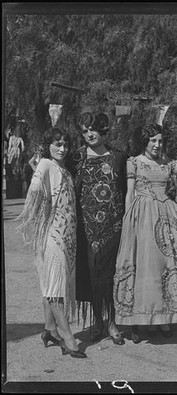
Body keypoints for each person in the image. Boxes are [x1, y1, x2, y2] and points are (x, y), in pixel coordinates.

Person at [114, 123, 177, 344]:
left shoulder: (169, 163)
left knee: (169, 265)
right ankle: (145, 318)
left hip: (168, 218)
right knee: (147, 267)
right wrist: (128, 219)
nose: (157, 144)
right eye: (153, 140)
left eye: (160, 141)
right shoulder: (134, 162)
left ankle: (165, 318)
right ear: (145, 141)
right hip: (143, 216)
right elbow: (130, 192)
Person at [17, 127, 87, 358]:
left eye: (66, 144)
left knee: (53, 284)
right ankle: (68, 337)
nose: (62, 148)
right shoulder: (46, 164)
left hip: (67, 236)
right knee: (56, 286)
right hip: (53, 235)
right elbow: (35, 189)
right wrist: (39, 210)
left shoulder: (64, 169)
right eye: (58, 143)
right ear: (48, 145)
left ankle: (49, 328)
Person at [69, 112, 127, 345]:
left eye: (93, 128)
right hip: (86, 229)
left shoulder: (118, 157)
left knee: (111, 276)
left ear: (103, 130)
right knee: (91, 276)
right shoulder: (77, 157)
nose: (89, 134)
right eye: (84, 130)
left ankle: (112, 322)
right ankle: (97, 321)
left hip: (113, 228)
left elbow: (129, 187)